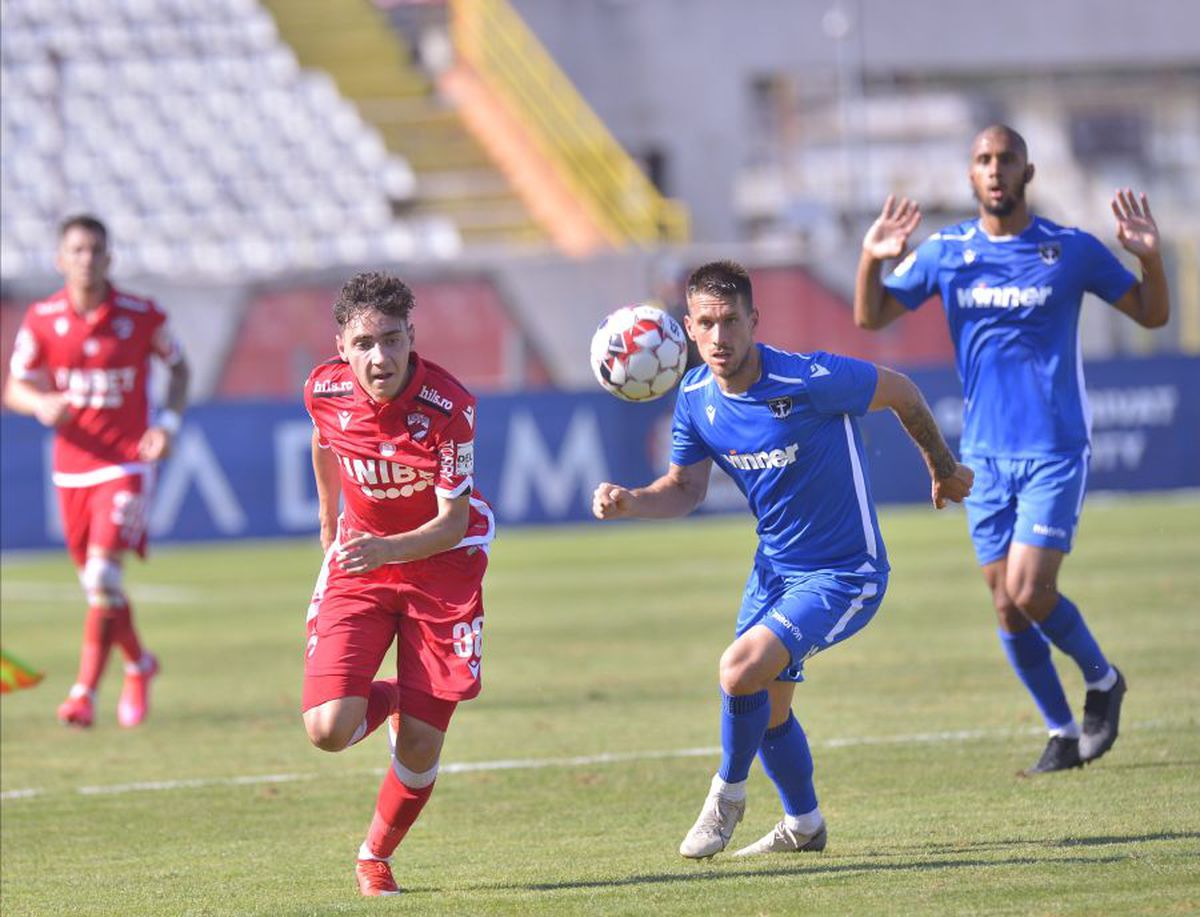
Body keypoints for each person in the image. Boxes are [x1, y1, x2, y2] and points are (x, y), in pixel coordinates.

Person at [593, 260, 973, 858]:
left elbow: (902, 390)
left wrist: (942, 467)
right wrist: (631, 502)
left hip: (846, 573)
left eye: (732, 322)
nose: (721, 338)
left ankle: (727, 797)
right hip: (774, 570)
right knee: (767, 710)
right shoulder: (694, 397)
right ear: (688, 329)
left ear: (754, 321)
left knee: (739, 668)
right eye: (708, 324)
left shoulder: (810, 379)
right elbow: (686, 488)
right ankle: (804, 825)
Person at [854, 125, 1170, 774]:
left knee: (1029, 588)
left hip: (1054, 447)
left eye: (1006, 160)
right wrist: (871, 258)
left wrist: (1152, 260)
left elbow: (1151, 314)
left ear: (1027, 171)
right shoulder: (948, 253)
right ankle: (1061, 731)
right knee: (1004, 600)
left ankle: (1103, 679)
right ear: (970, 176)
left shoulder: (1070, 249)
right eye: (983, 160)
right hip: (984, 458)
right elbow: (873, 316)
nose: (995, 170)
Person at [300, 271, 495, 897]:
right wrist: (330, 518)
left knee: (419, 742)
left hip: (443, 567)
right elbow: (323, 441)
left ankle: (373, 857)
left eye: (391, 340)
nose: (379, 357)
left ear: (412, 336)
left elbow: (452, 523)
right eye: (364, 343)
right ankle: (391, 696)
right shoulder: (323, 389)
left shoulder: (449, 408)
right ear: (341, 346)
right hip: (363, 562)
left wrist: (385, 547)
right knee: (328, 730)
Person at [4, 215, 189, 729]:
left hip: (126, 461)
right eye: (77, 250)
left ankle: (83, 693)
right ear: (60, 259)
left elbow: (179, 368)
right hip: (71, 470)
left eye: (96, 250)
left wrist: (168, 424)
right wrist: (39, 403)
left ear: (110, 258)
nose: (87, 258)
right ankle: (139, 663)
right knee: (97, 586)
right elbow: (13, 388)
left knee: (105, 573)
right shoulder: (42, 319)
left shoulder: (142, 316)